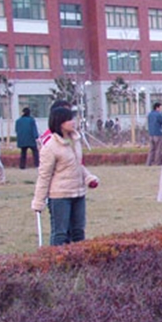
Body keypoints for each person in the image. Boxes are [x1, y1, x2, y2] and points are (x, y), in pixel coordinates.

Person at [31, 105, 99, 245]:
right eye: (68, 120)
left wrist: (88, 178)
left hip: (78, 193)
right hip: (60, 196)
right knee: (61, 234)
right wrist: (39, 201)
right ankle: (57, 262)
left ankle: (80, 262)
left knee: (78, 232)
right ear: (59, 123)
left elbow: (77, 165)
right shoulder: (50, 147)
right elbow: (44, 175)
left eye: (72, 118)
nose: (73, 122)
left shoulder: (76, 141)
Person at [146, 102, 162, 166]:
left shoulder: (149, 114)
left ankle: (148, 163)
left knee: (151, 149)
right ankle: (157, 162)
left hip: (151, 133)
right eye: (160, 108)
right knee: (158, 149)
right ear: (157, 108)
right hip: (157, 133)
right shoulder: (158, 114)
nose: (161, 109)